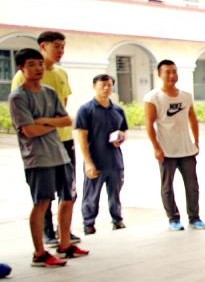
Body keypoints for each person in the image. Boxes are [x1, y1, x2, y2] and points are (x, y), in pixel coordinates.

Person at [8, 48, 87, 266]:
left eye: (40, 64)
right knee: (42, 202)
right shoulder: (18, 97)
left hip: (59, 153)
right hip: (38, 158)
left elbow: (66, 120)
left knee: (68, 198)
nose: (38, 68)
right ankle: (40, 253)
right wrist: (51, 123)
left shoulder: (50, 93)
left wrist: (44, 121)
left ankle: (65, 245)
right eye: (31, 65)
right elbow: (29, 131)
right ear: (21, 68)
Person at [144, 60, 205, 231]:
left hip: (187, 150)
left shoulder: (186, 96)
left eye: (174, 71)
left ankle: (194, 218)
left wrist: (196, 141)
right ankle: (173, 219)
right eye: (167, 72)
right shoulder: (152, 97)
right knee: (167, 187)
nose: (171, 75)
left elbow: (193, 119)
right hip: (167, 151)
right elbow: (149, 124)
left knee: (192, 186)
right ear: (159, 74)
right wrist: (156, 148)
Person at [74, 74, 128, 233]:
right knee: (91, 194)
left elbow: (124, 130)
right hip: (96, 160)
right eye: (102, 85)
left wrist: (122, 137)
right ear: (94, 86)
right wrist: (88, 163)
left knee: (115, 193)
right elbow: (82, 137)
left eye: (109, 85)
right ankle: (89, 223)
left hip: (115, 160)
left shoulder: (118, 110)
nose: (106, 88)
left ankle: (117, 220)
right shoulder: (86, 110)